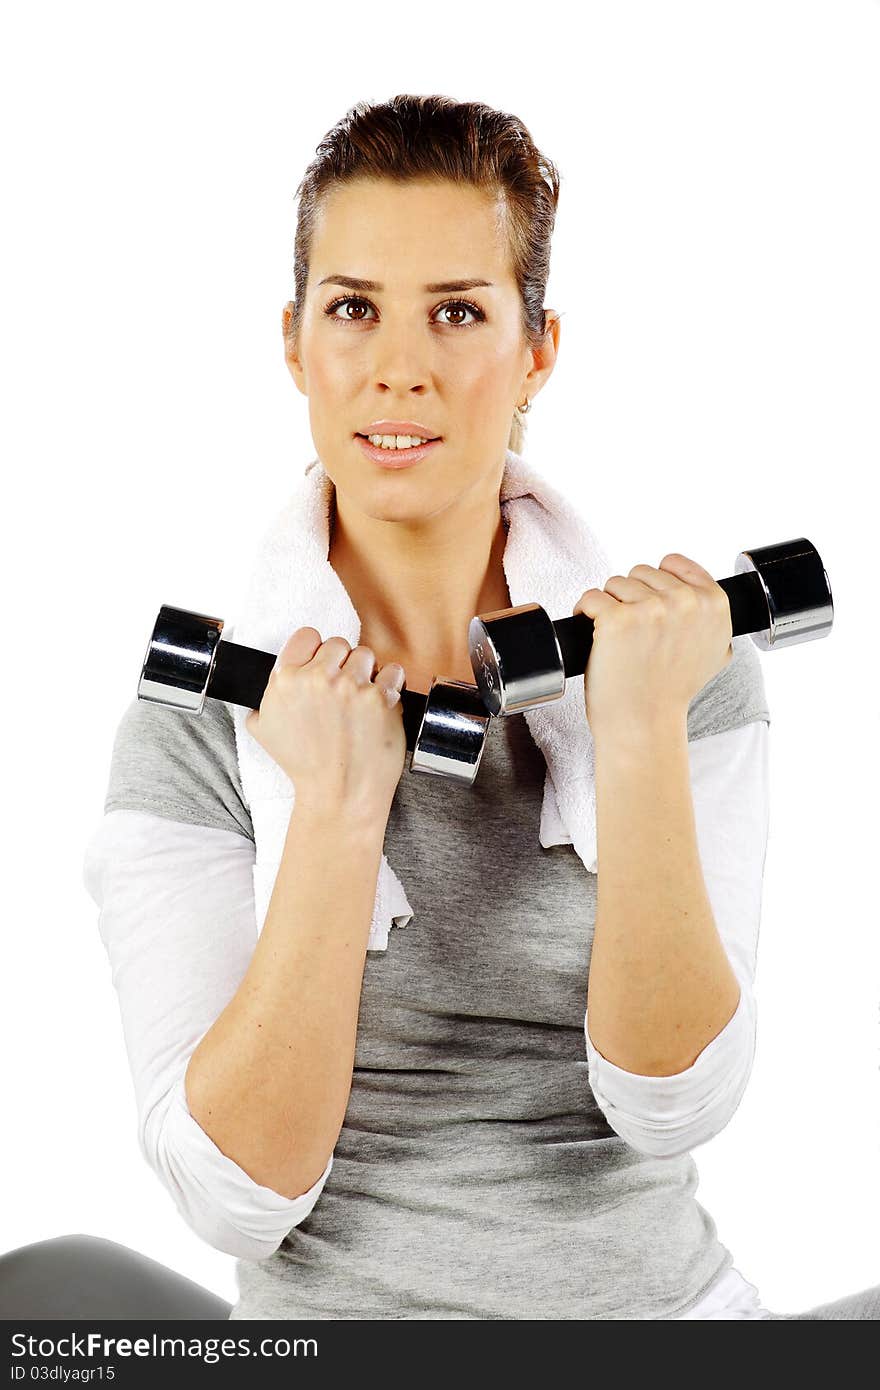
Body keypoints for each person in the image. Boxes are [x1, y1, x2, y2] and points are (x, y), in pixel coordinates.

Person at [44, 93, 876, 1321]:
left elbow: (672, 1106)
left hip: (670, 1329)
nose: (399, 366)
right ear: (293, 345)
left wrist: (636, 733)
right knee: (45, 1293)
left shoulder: (675, 666)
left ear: (536, 348)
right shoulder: (197, 726)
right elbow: (236, 1196)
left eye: (458, 312)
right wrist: (335, 811)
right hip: (339, 1339)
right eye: (352, 309)